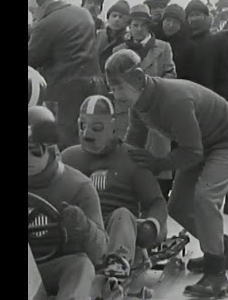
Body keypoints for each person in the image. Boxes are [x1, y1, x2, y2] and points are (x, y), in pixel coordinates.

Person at [104, 50, 228, 298]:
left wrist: (158, 163)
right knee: (178, 206)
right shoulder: (138, 104)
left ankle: (217, 276)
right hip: (199, 146)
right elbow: (133, 143)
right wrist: (113, 155)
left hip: (223, 142)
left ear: (139, 78)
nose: (116, 96)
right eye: (112, 89)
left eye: (119, 88)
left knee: (205, 198)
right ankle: (221, 250)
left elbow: (192, 152)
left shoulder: (174, 100)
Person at [62, 95, 168, 278]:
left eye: (97, 127)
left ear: (112, 127)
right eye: (83, 126)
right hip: (81, 227)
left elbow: (156, 202)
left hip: (118, 227)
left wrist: (152, 226)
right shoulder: (67, 158)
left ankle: (117, 262)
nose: (87, 134)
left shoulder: (133, 158)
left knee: (122, 215)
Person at [28, 106, 108, 300]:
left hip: (59, 267)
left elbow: (100, 252)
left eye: (33, 150)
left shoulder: (78, 186)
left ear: (51, 149)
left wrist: (84, 227)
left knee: (81, 265)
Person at [28, 0, 105, 151]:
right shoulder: (82, 14)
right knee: (90, 135)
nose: (33, 16)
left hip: (65, 90)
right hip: (94, 84)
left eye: (32, 11)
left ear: (40, 7)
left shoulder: (46, 23)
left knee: (63, 139)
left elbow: (31, 58)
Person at [112, 4, 176, 199]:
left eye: (141, 25)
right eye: (133, 25)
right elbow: (112, 80)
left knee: (157, 161)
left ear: (149, 26)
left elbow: (171, 76)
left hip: (155, 111)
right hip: (127, 113)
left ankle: (158, 207)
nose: (137, 29)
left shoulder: (163, 48)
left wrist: (152, 90)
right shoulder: (119, 49)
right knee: (129, 159)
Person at [185, 0, 228, 103]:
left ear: (205, 16)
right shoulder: (184, 41)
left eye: (198, 14)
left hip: (214, 94)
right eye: (191, 15)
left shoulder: (216, 40)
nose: (194, 18)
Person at [94, 0, 130, 73]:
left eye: (121, 17)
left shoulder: (129, 40)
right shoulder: (98, 35)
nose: (116, 19)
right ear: (108, 18)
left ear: (127, 22)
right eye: (114, 16)